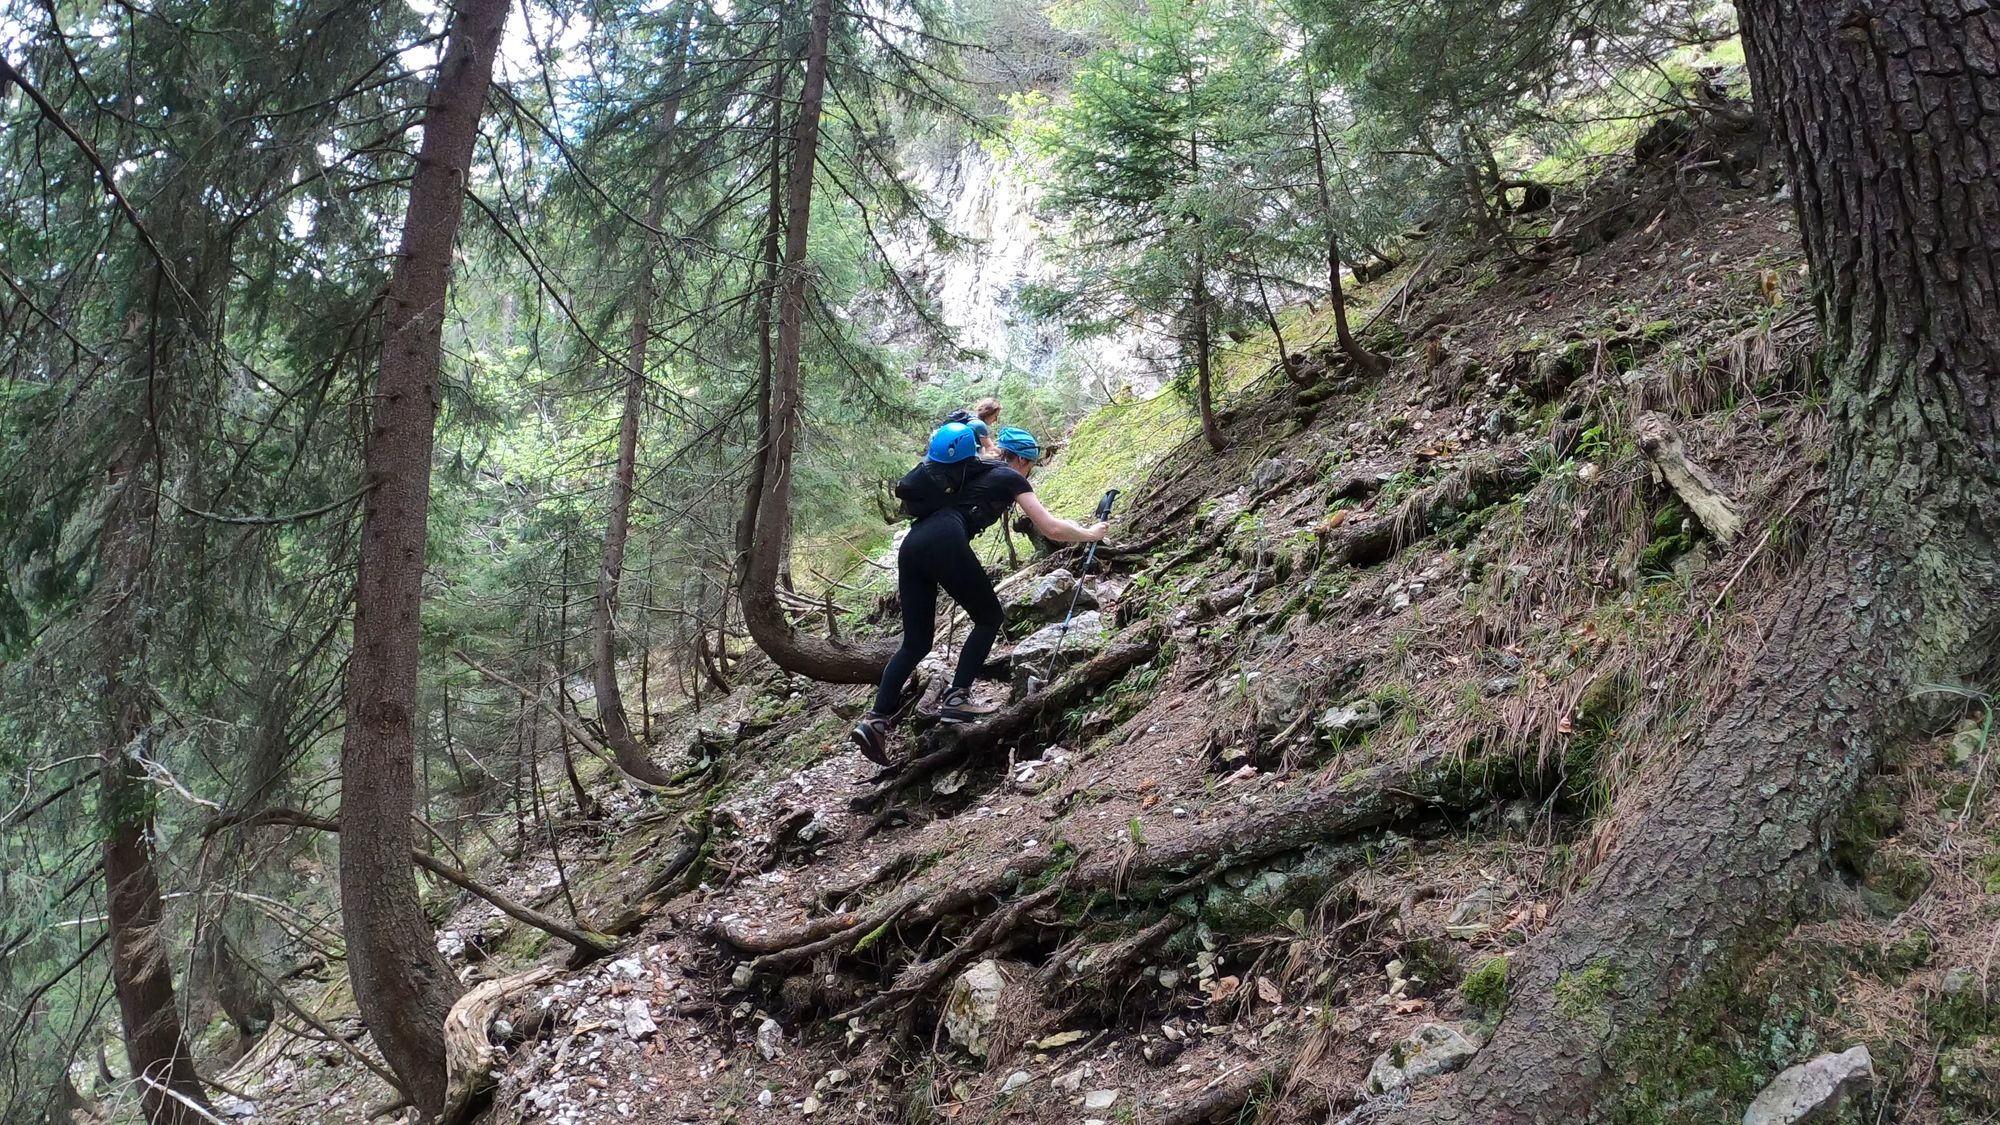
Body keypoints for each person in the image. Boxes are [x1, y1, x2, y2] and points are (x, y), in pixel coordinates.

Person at [850, 424, 1107, 764]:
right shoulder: (1011, 477)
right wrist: (1091, 532)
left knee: (916, 643)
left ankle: (876, 720)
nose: (1030, 471)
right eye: (1030, 463)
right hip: (945, 539)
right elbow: (1051, 528)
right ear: (1020, 460)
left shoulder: (974, 465)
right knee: (989, 617)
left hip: (913, 545)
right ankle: (958, 697)